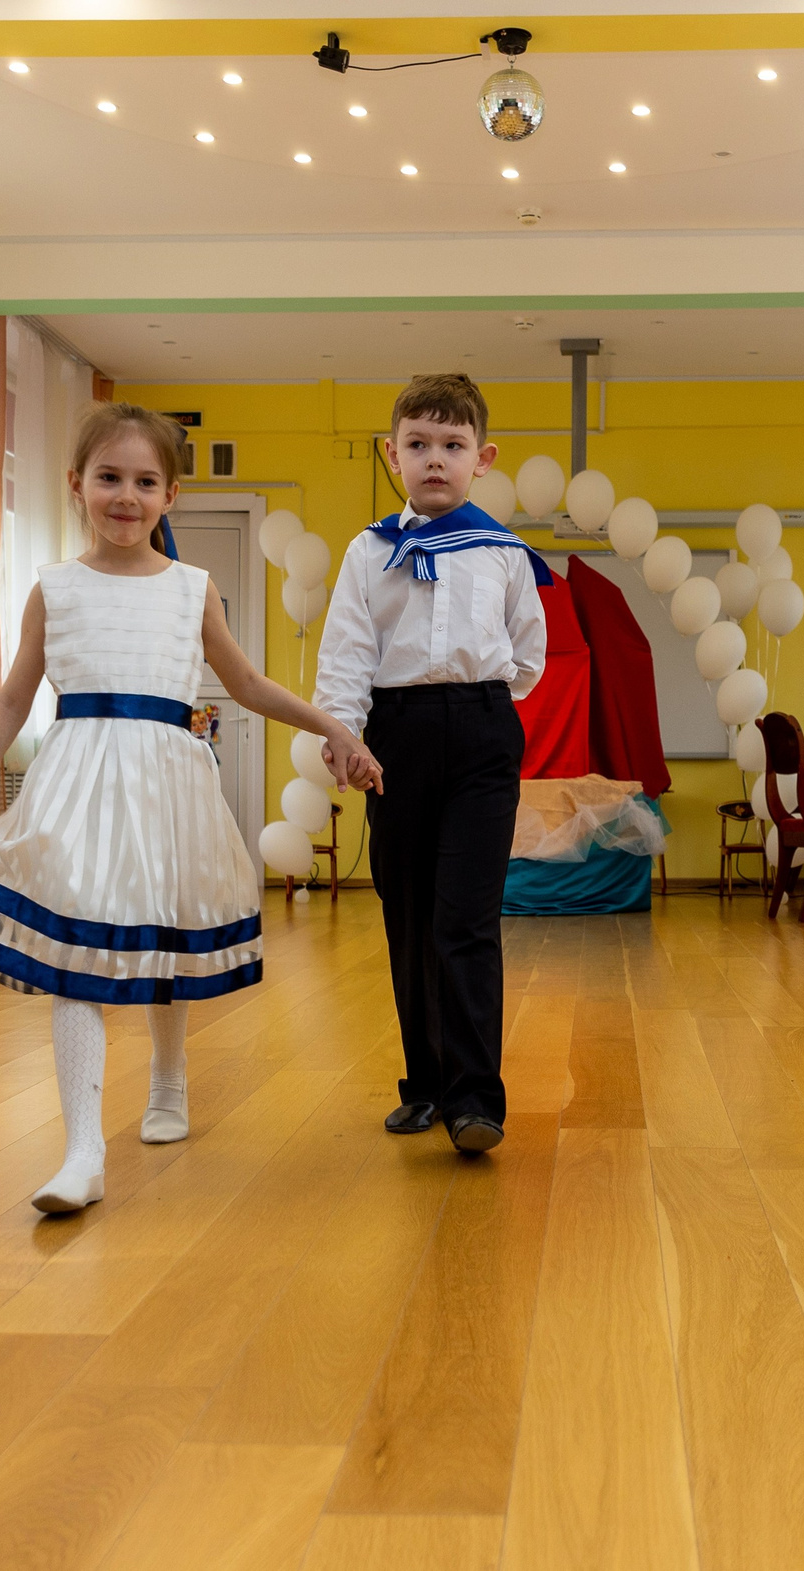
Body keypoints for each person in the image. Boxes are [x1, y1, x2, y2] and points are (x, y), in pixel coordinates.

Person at [0, 402, 379, 1215]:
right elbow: (11, 700)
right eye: (108, 478)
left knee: (155, 933)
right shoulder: (54, 589)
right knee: (76, 948)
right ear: (76, 485)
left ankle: (168, 1082)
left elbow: (244, 682)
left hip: (167, 779)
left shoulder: (192, 590)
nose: (124, 496)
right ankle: (83, 1149)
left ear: (171, 495)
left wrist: (331, 723)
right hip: (77, 779)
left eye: (144, 481)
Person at [315, 373, 545, 1153]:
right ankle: (426, 1084)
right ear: (393, 454)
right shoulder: (368, 550)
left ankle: (477, 1099)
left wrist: (477, 706)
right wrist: (345, 730)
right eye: (418, 445)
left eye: (452, 446)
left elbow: (529, 656)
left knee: (466, 919)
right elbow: (348, 649)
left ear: (482, 458)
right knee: (409, 915)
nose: (434, 459)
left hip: (483, 732)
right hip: (397, 736)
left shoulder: (504, 552)